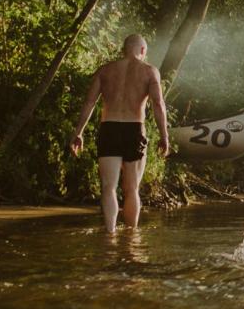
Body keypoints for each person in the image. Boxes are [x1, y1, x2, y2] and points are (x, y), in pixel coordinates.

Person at [69, 34, 171, 233]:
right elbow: (158, 104)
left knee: (108, 187)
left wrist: (78, 132)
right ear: (143, 51)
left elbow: (89, 103)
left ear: (123, 49)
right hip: (134, 129)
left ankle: (110, 233)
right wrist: (164, 136)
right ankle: (131, 236)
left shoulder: (105, 70)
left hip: (109, 128)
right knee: (131, 188)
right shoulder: (149, 72)